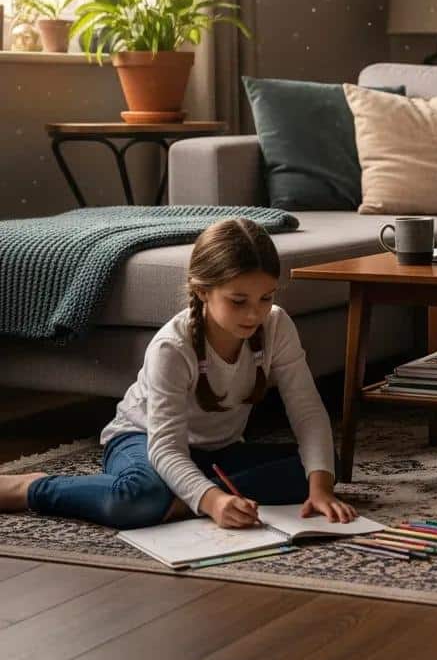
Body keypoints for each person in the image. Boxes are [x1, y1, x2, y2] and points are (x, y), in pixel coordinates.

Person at [0, 218, 355, 530]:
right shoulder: (172, 346)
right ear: (203, 291)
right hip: (141, 439)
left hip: (215, 451)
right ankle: (30, 487)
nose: (255, 313)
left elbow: (307, 411)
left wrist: (320, 489)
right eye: (238, 301)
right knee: (135, 499)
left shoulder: (276, 324)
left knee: (323, 467)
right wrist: (214, 502)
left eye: (265, 298)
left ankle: (179, 501)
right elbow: (166, 448)